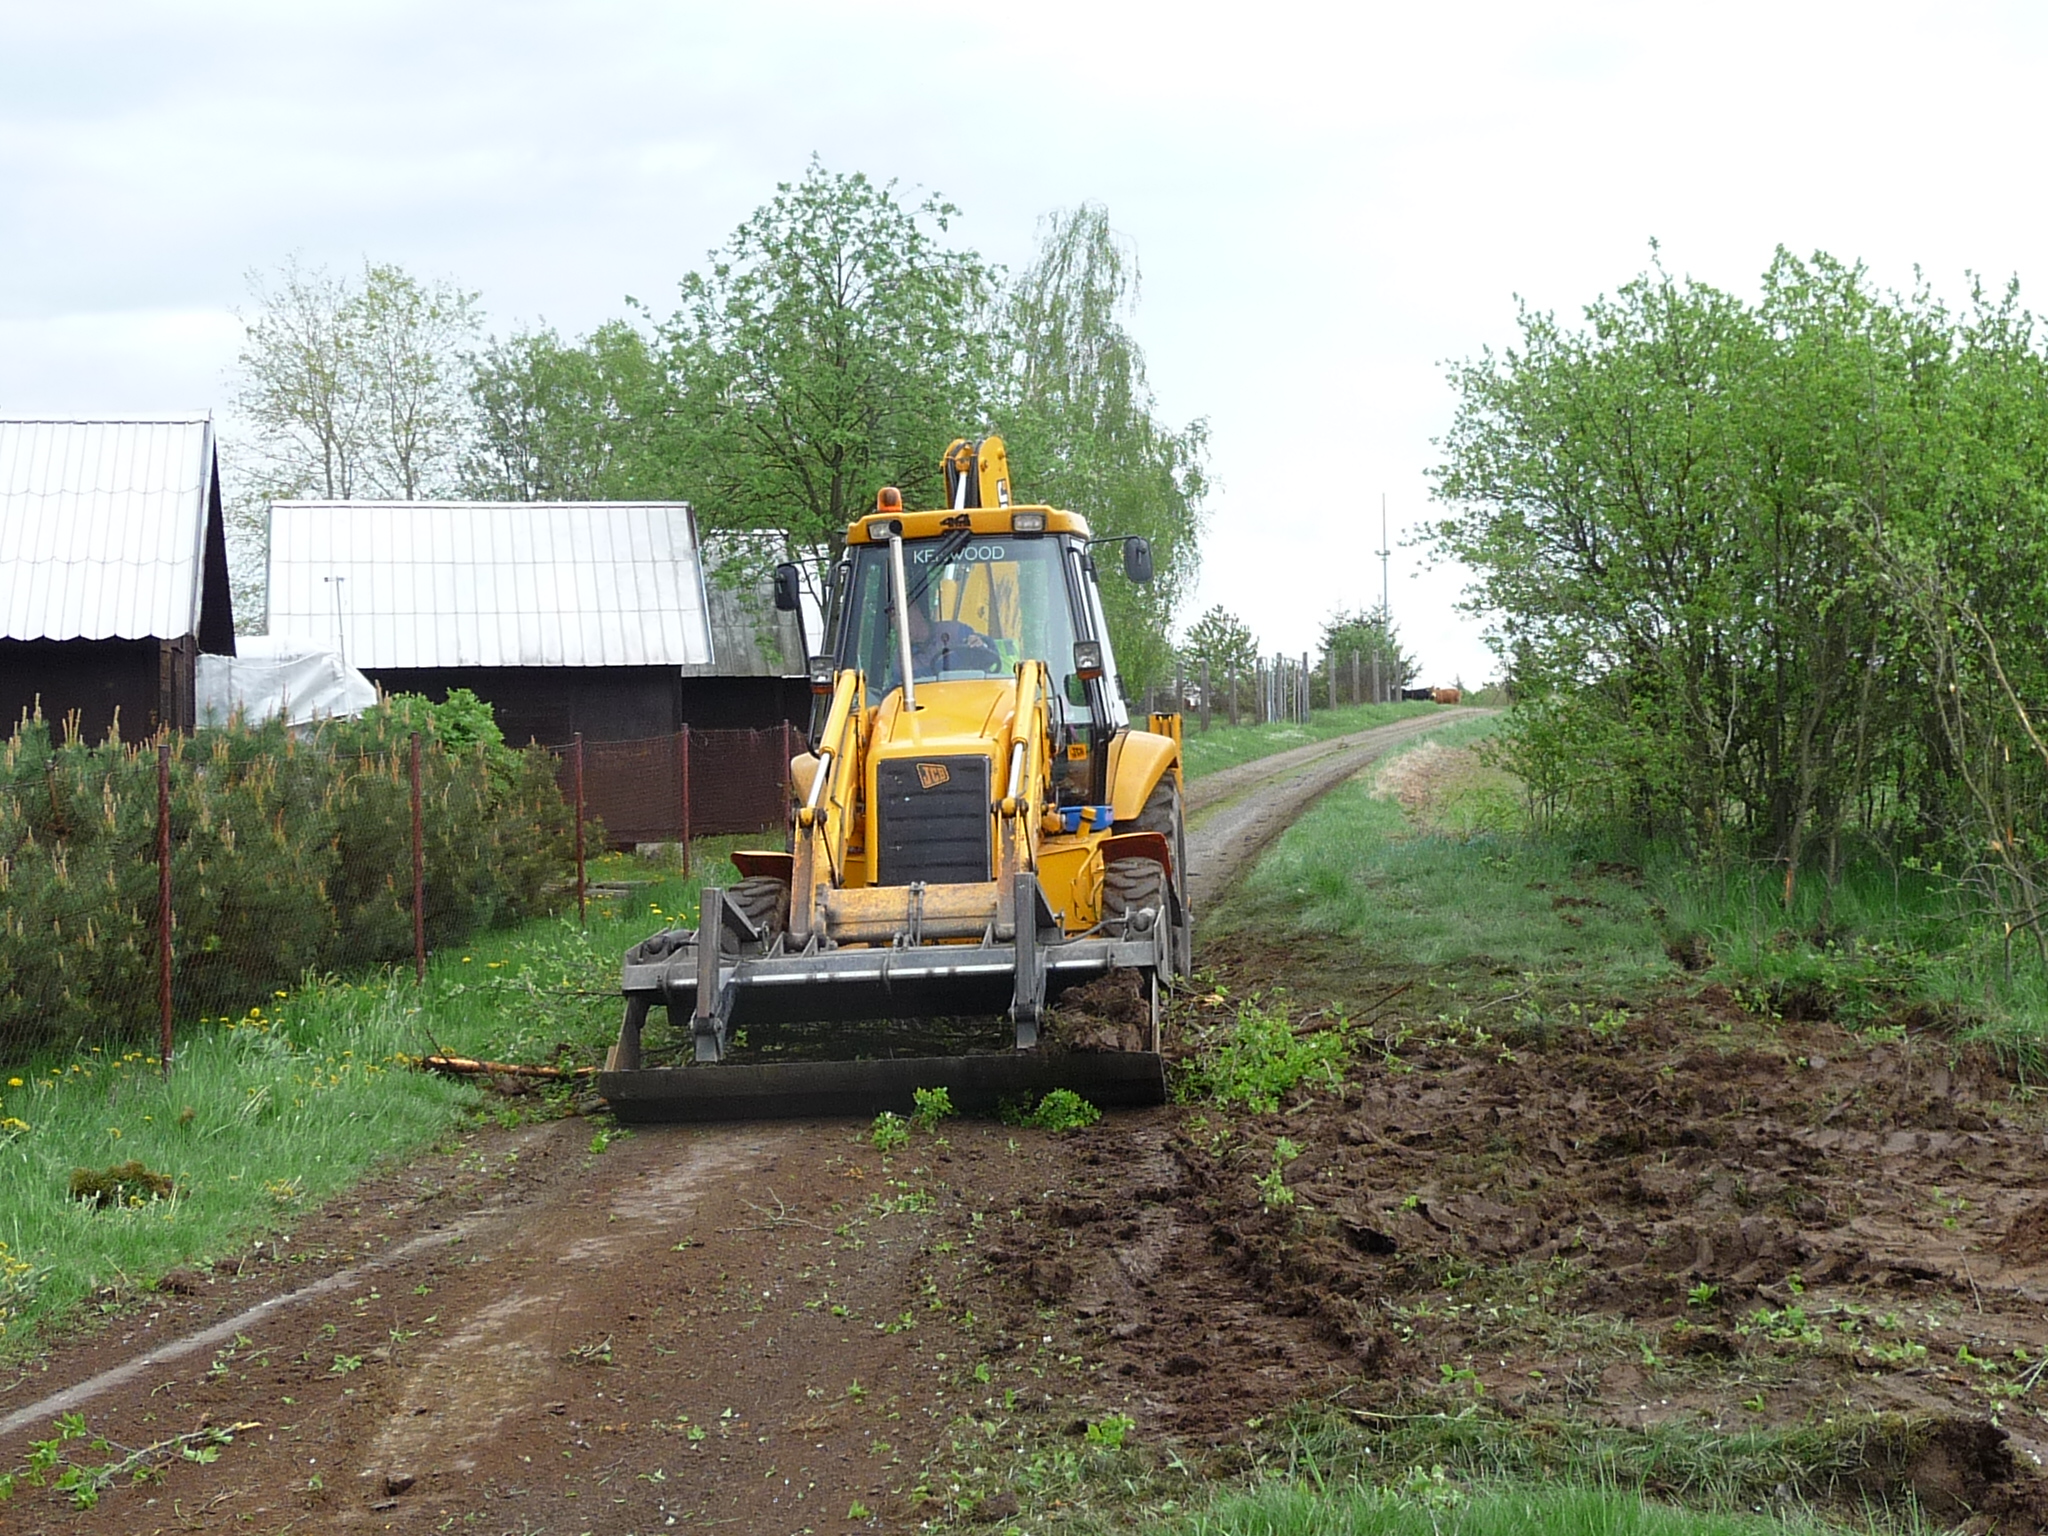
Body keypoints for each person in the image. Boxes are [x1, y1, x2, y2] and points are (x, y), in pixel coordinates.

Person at [906, 600, 999, 677]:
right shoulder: (902, 660)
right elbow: (897, 690)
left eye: (908, 620)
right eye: (896, 626)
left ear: (917, 612)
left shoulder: (955, 631)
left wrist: (980, 645)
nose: (903, 628)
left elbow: (988, 657)